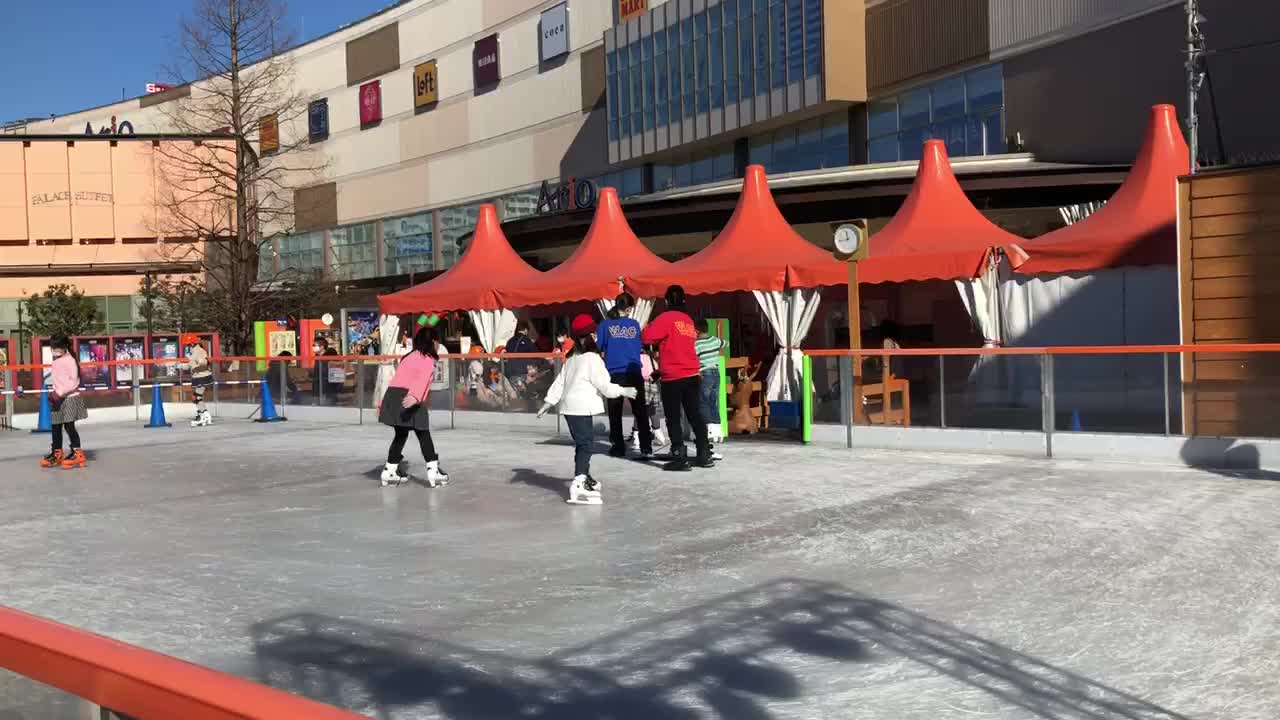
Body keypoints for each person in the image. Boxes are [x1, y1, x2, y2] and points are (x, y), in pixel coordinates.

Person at [538, 314, 637, 505]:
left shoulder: (574, 359)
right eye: (596, 333)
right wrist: (624, 390)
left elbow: (560, 383)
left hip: (569, 408)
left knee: (583, 443)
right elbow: (605, 386)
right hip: (580, 407)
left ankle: (584, 475)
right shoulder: (592, 359)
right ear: (591, 335)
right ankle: (580, 481)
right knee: (586, 444)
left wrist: (548, 403)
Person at [641, 285, 713, 471]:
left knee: (673, 417)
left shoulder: (666, 318)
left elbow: (647, 337)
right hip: (692, 373)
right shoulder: (688, 320)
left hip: (673, 376)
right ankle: (704, 453)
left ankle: (679, 456)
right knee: (694, 414)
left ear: (666, 301)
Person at [378, 326, 449, 488]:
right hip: (409, 397)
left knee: (400, 434)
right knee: (423, 433)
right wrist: (415, 396)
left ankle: (390, 470)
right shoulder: (427, 359)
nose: (438, 345)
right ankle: (433, 471)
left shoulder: (408, 356)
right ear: (432, 342)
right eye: (437, 341)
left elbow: (397, 379)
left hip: (394, 395)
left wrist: (385, 402)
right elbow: (421, 379)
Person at [596, 292, 652, 458]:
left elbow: (599, 346)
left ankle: (618, 446)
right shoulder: (634, 324)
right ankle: (646, 446)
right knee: (640, 410)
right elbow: (638, 345)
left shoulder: (605, 325)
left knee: (615, 412)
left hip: (614, 372)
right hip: (633, 371)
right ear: (628, 308)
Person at [41, 336, 88, 470]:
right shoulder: (57, 361)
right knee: (55, 426)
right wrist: (54, 393)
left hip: (69, 397)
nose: (54, 351)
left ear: (64, 347)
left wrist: (59, 393)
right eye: (52, 348)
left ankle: (77, 452)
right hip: (57, 398)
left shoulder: (70, 360)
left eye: (56, 348)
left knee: (69, 426)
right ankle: (57, 453)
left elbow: (74, 382)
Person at [695, 317, 727, 458]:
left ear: (696, 330)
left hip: (705, 373)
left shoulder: (696, 344)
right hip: (716, 372)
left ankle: (708, 428)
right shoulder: (714, 340)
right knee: (714, 401)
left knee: (703, 402)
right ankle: (717, 429)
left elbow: (693, 358)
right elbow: (725, 343)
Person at [629, 349, 668, 452]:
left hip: (640, 384)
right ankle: (659, 435)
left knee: (640, 412)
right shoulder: (651, 359)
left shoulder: (635, 359)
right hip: (652, 384)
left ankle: (637, 438)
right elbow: (657, 371)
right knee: (653, 410)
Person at [182, 334, 214, 427]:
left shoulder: (200, 351)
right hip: (198, 376)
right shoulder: (194, 351)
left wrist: (199, 363)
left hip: (202, 376)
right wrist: (180, 366)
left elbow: (203, 362)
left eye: (187, 344)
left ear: (192, 343)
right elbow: (190, 364)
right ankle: (203, 414)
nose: (187, 346)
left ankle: (204, 415)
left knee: (197, 396)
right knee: (196, 397)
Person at [504, 322, 537, 390]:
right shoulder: (527, 341)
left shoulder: (510, 341)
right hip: (522, 371)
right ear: (525, 330)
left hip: (509, 370)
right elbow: (535, 355)